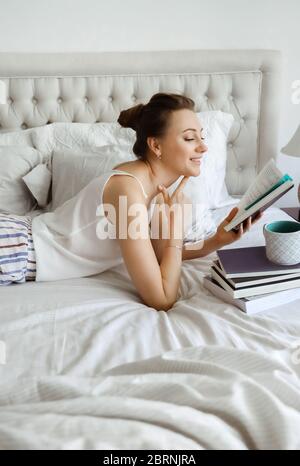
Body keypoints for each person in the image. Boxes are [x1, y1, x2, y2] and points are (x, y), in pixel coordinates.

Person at [0, 92, 262, 309]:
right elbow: (161, 298)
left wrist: (217, 240)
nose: (203, 147)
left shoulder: (157, 191)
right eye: (190, 138)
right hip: (17, 249)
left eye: (201, 137)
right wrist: (173, 231)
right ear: (156, 146)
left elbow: (161, 255)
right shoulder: (127, 190)